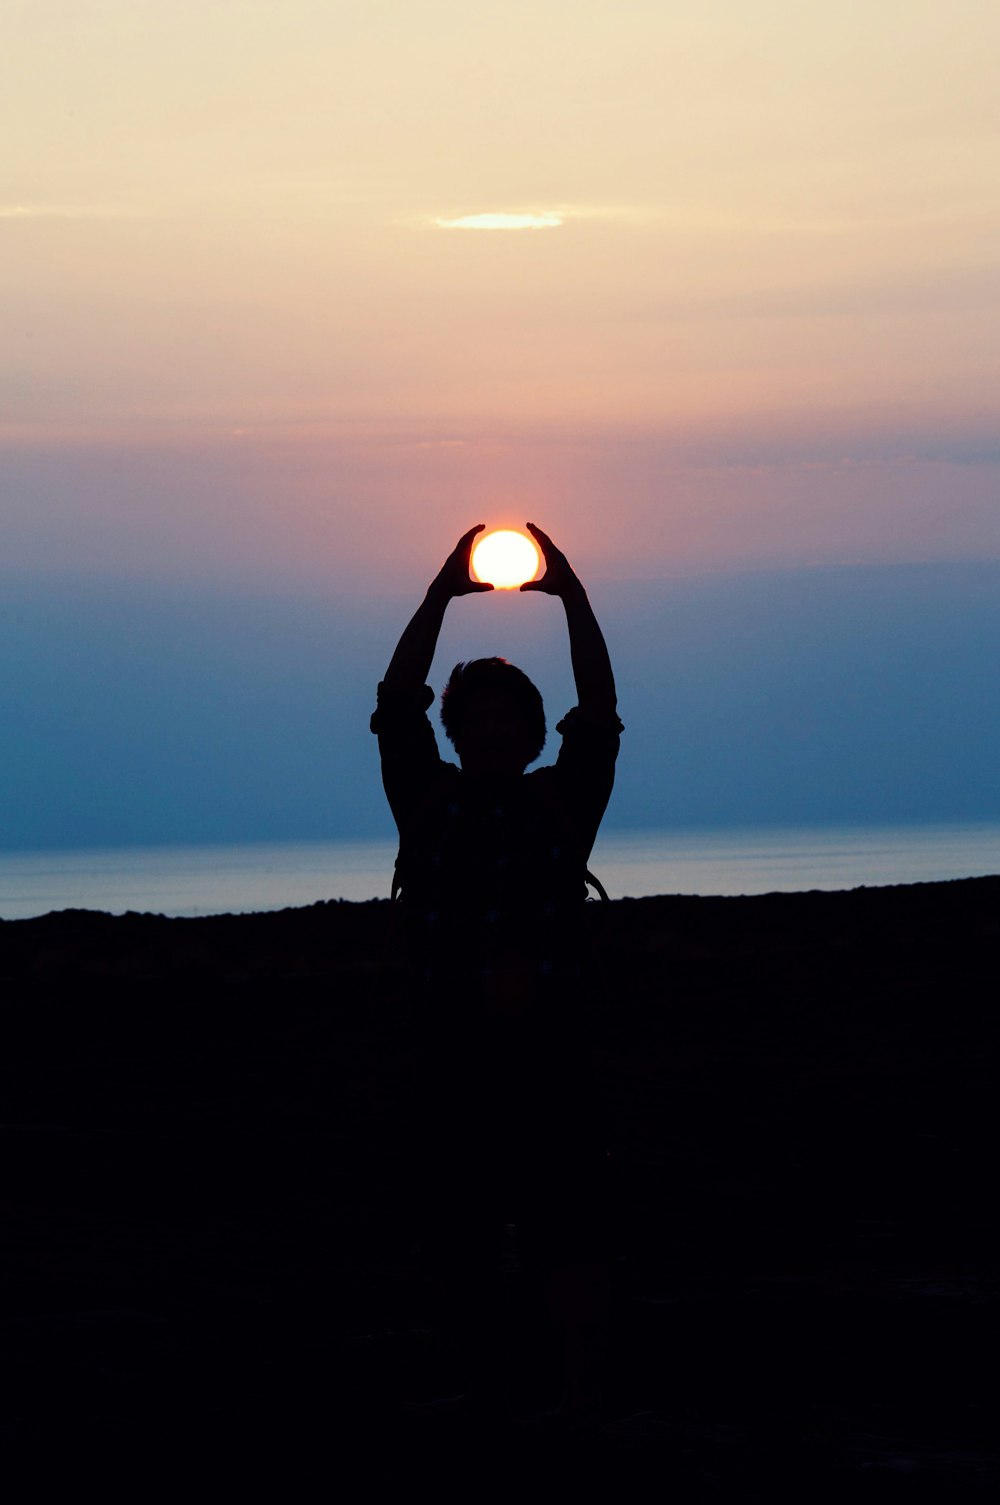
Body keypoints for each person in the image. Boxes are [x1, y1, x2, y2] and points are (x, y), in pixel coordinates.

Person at [370, 522, 623, 1422]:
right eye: (474, 716)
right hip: (452, 1055)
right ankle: (490, 1386)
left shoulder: (563, 800)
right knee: (462, 1238)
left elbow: (598, 710)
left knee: (572, 1234)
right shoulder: (425, 798)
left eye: (507, 716)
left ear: (527, 729)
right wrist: (441, 591)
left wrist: (575, 597)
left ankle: (579, 1395)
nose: (490, 727)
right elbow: (397, 702)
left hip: (552, 1056)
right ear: (457, 728)